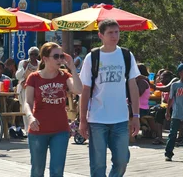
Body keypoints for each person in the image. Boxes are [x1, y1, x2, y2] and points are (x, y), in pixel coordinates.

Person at [78, 19, 141, 177]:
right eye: (110, 33)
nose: (114, 36)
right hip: (97, 118)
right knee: (98, 164)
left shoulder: (126, 55)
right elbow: (85, 90)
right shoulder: (92, 57)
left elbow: (133, 86)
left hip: (120, 118)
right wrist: (82, 120)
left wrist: (136, 115)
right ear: (101, 35)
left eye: (117, 32)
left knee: (122, 161)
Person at [24, 42, 83, 177]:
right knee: (37, 170)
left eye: (61, 56)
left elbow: (79, 90)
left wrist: (72, 67)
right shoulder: (34, 77)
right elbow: (27, 102)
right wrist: (30, 117)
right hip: (38, 130)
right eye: (56, 56)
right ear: (45, 58)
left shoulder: (65, 76)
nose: (60, 59)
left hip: (60, 130)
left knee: (57, 171)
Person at [16, 46, 40, 132]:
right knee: (25, 107)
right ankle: (27, 129)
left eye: (35, 54)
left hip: (36, 88)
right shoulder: (23, 62)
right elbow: (18, 76)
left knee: (35, 108)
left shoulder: (40, 64)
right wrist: (23, 67)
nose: (33, 56)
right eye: (31, 54)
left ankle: (35, 126)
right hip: (25, 88)